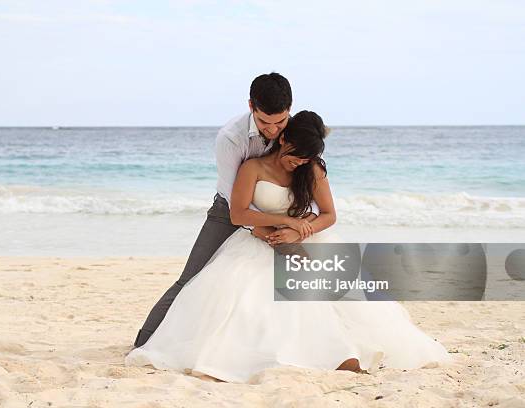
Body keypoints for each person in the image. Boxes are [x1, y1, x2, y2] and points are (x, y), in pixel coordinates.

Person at [126, 111, 452, 383]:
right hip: (256, 237)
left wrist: (299, 232)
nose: (298, 163)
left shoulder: (311, 169)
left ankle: (339, 353)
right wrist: (285, 222)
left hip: (300, 240)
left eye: (306, 159)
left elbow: (328, 215)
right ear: (283, 140)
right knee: (244, 298)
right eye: (295, 155)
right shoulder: (251, 166)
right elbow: (239, 213)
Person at [133, 72, 320, 347]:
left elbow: (313, 184)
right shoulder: (231, 138)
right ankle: (144, 342)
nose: (273, 130)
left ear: (289, 110)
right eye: (264, 122)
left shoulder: (298, 132)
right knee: (192, 276)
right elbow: (236, 205)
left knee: (309, 272)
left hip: (284, 213)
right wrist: (267, 227)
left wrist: (304, 222)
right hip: (231, 210)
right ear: (250, 107)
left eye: (279, 121)